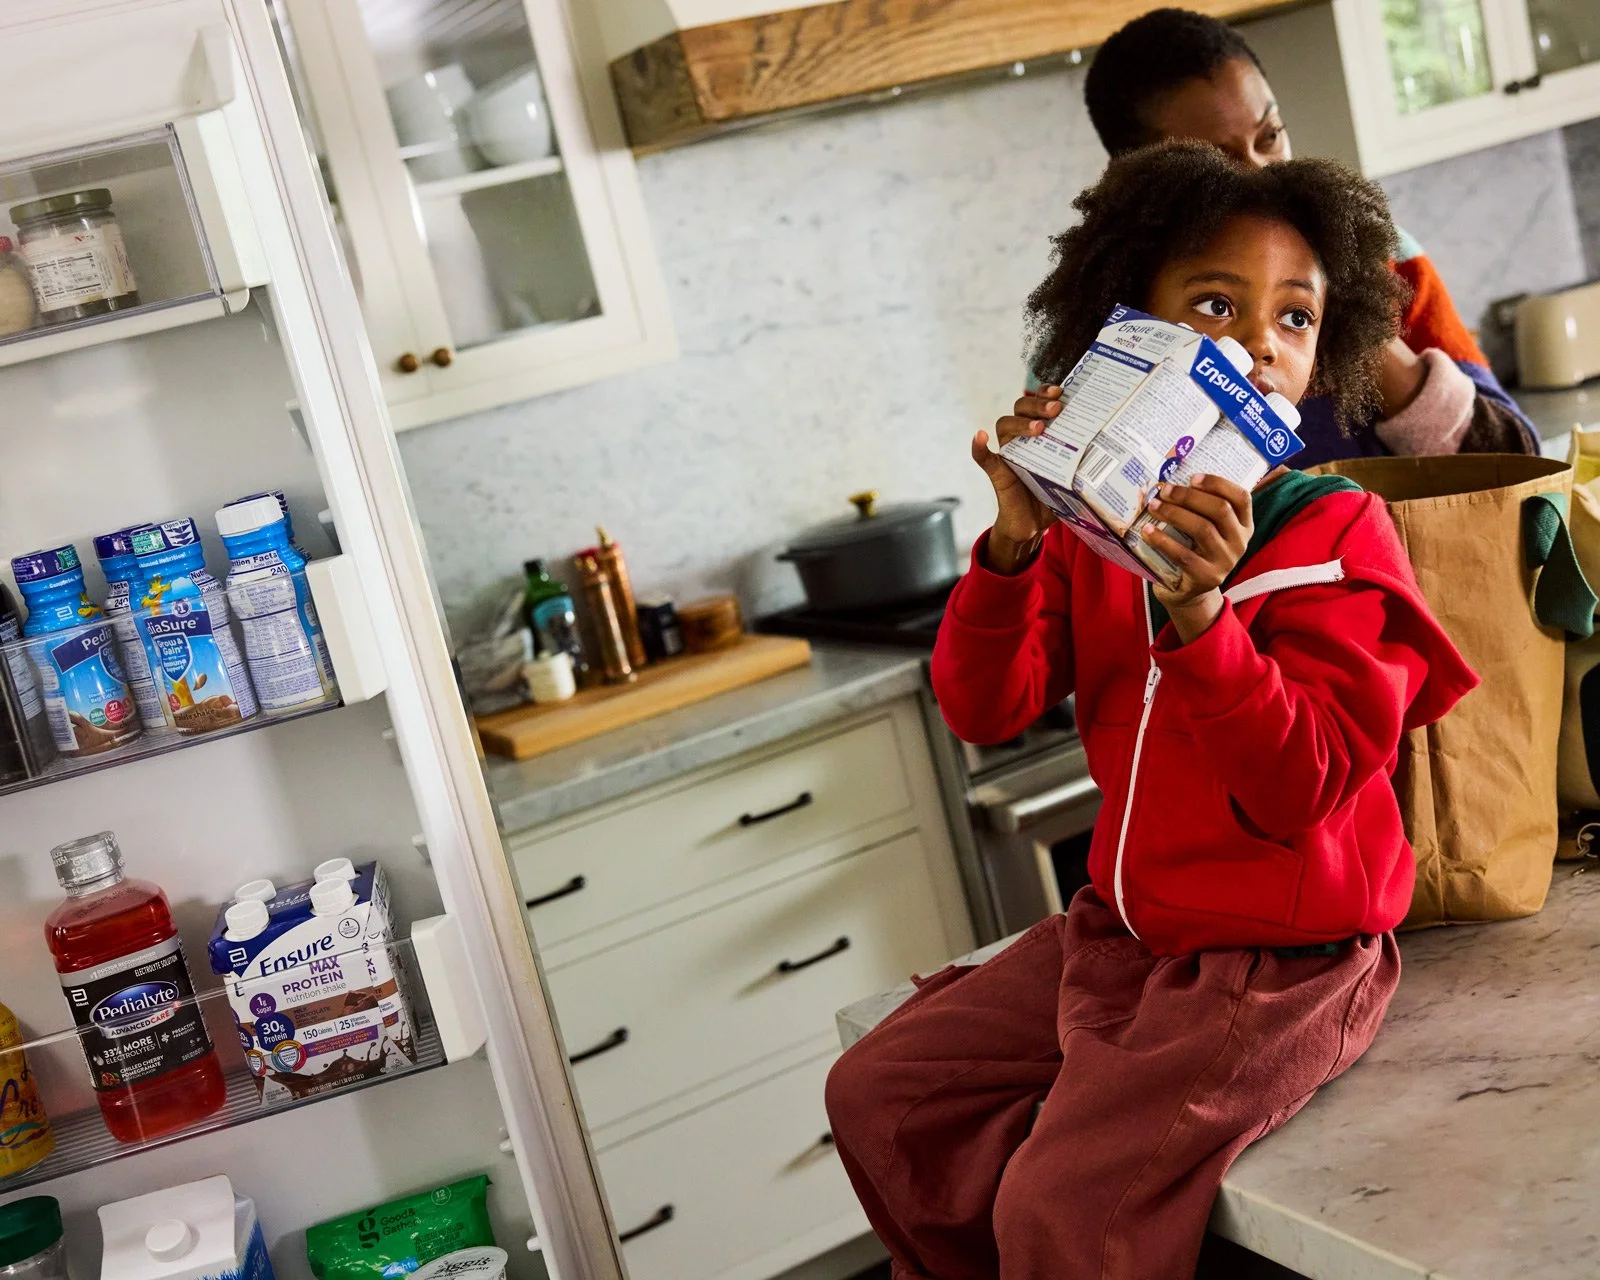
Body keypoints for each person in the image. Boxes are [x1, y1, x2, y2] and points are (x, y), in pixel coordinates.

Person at [823, 142, 1479, 1279]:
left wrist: (1199, 613)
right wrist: (1019, 538)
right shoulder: (1095, 535)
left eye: (1294, 317)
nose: (1256, 344)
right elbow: (987, 705)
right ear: (1128, 326)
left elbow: (1300, 786)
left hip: (1279, 961)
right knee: (880, 1089)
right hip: (1127, 932)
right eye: (1216, 304)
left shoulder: (1335, 533)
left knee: (1059, 1208)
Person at [1063, 6, 1537, 466]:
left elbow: (1514, 461)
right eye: (1216, 162)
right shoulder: (1095, 315)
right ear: (1134, 176)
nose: (1261, 174)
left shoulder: (1383, 260)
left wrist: (1355, 320)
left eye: (1269, 137)